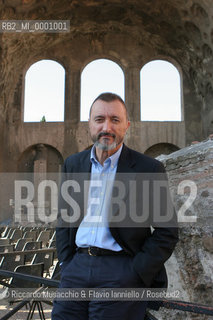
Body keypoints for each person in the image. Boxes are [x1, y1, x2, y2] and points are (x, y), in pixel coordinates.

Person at [52, 92, 178, 320]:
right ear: (89, 124)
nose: (106, 127)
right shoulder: (73, 164)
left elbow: (167, 231)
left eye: (115, 120)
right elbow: (65, 218)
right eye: (99, 119)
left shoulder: (148, 169)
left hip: (121, 271)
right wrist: (66, 262)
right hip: (76, 268)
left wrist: (136, 271)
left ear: (126, 125)